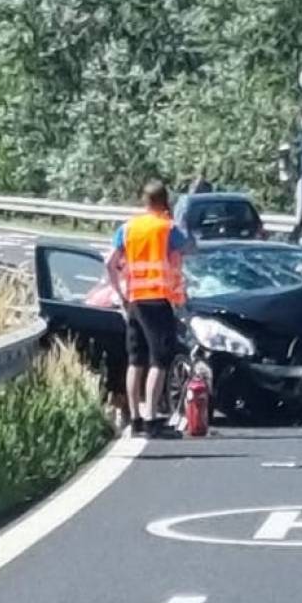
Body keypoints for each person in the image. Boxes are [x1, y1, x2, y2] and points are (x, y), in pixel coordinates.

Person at [107, 179, 192, 440]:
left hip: (134, 300)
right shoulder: (167, 228)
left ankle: (136, 420)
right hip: (157, 300)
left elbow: (110, 263)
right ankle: (152, 419)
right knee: (160, 360)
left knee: (136, 360)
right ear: (165, 201)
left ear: (144, 201)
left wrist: (121, 294)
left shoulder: (128, 228)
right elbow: (187, 250)